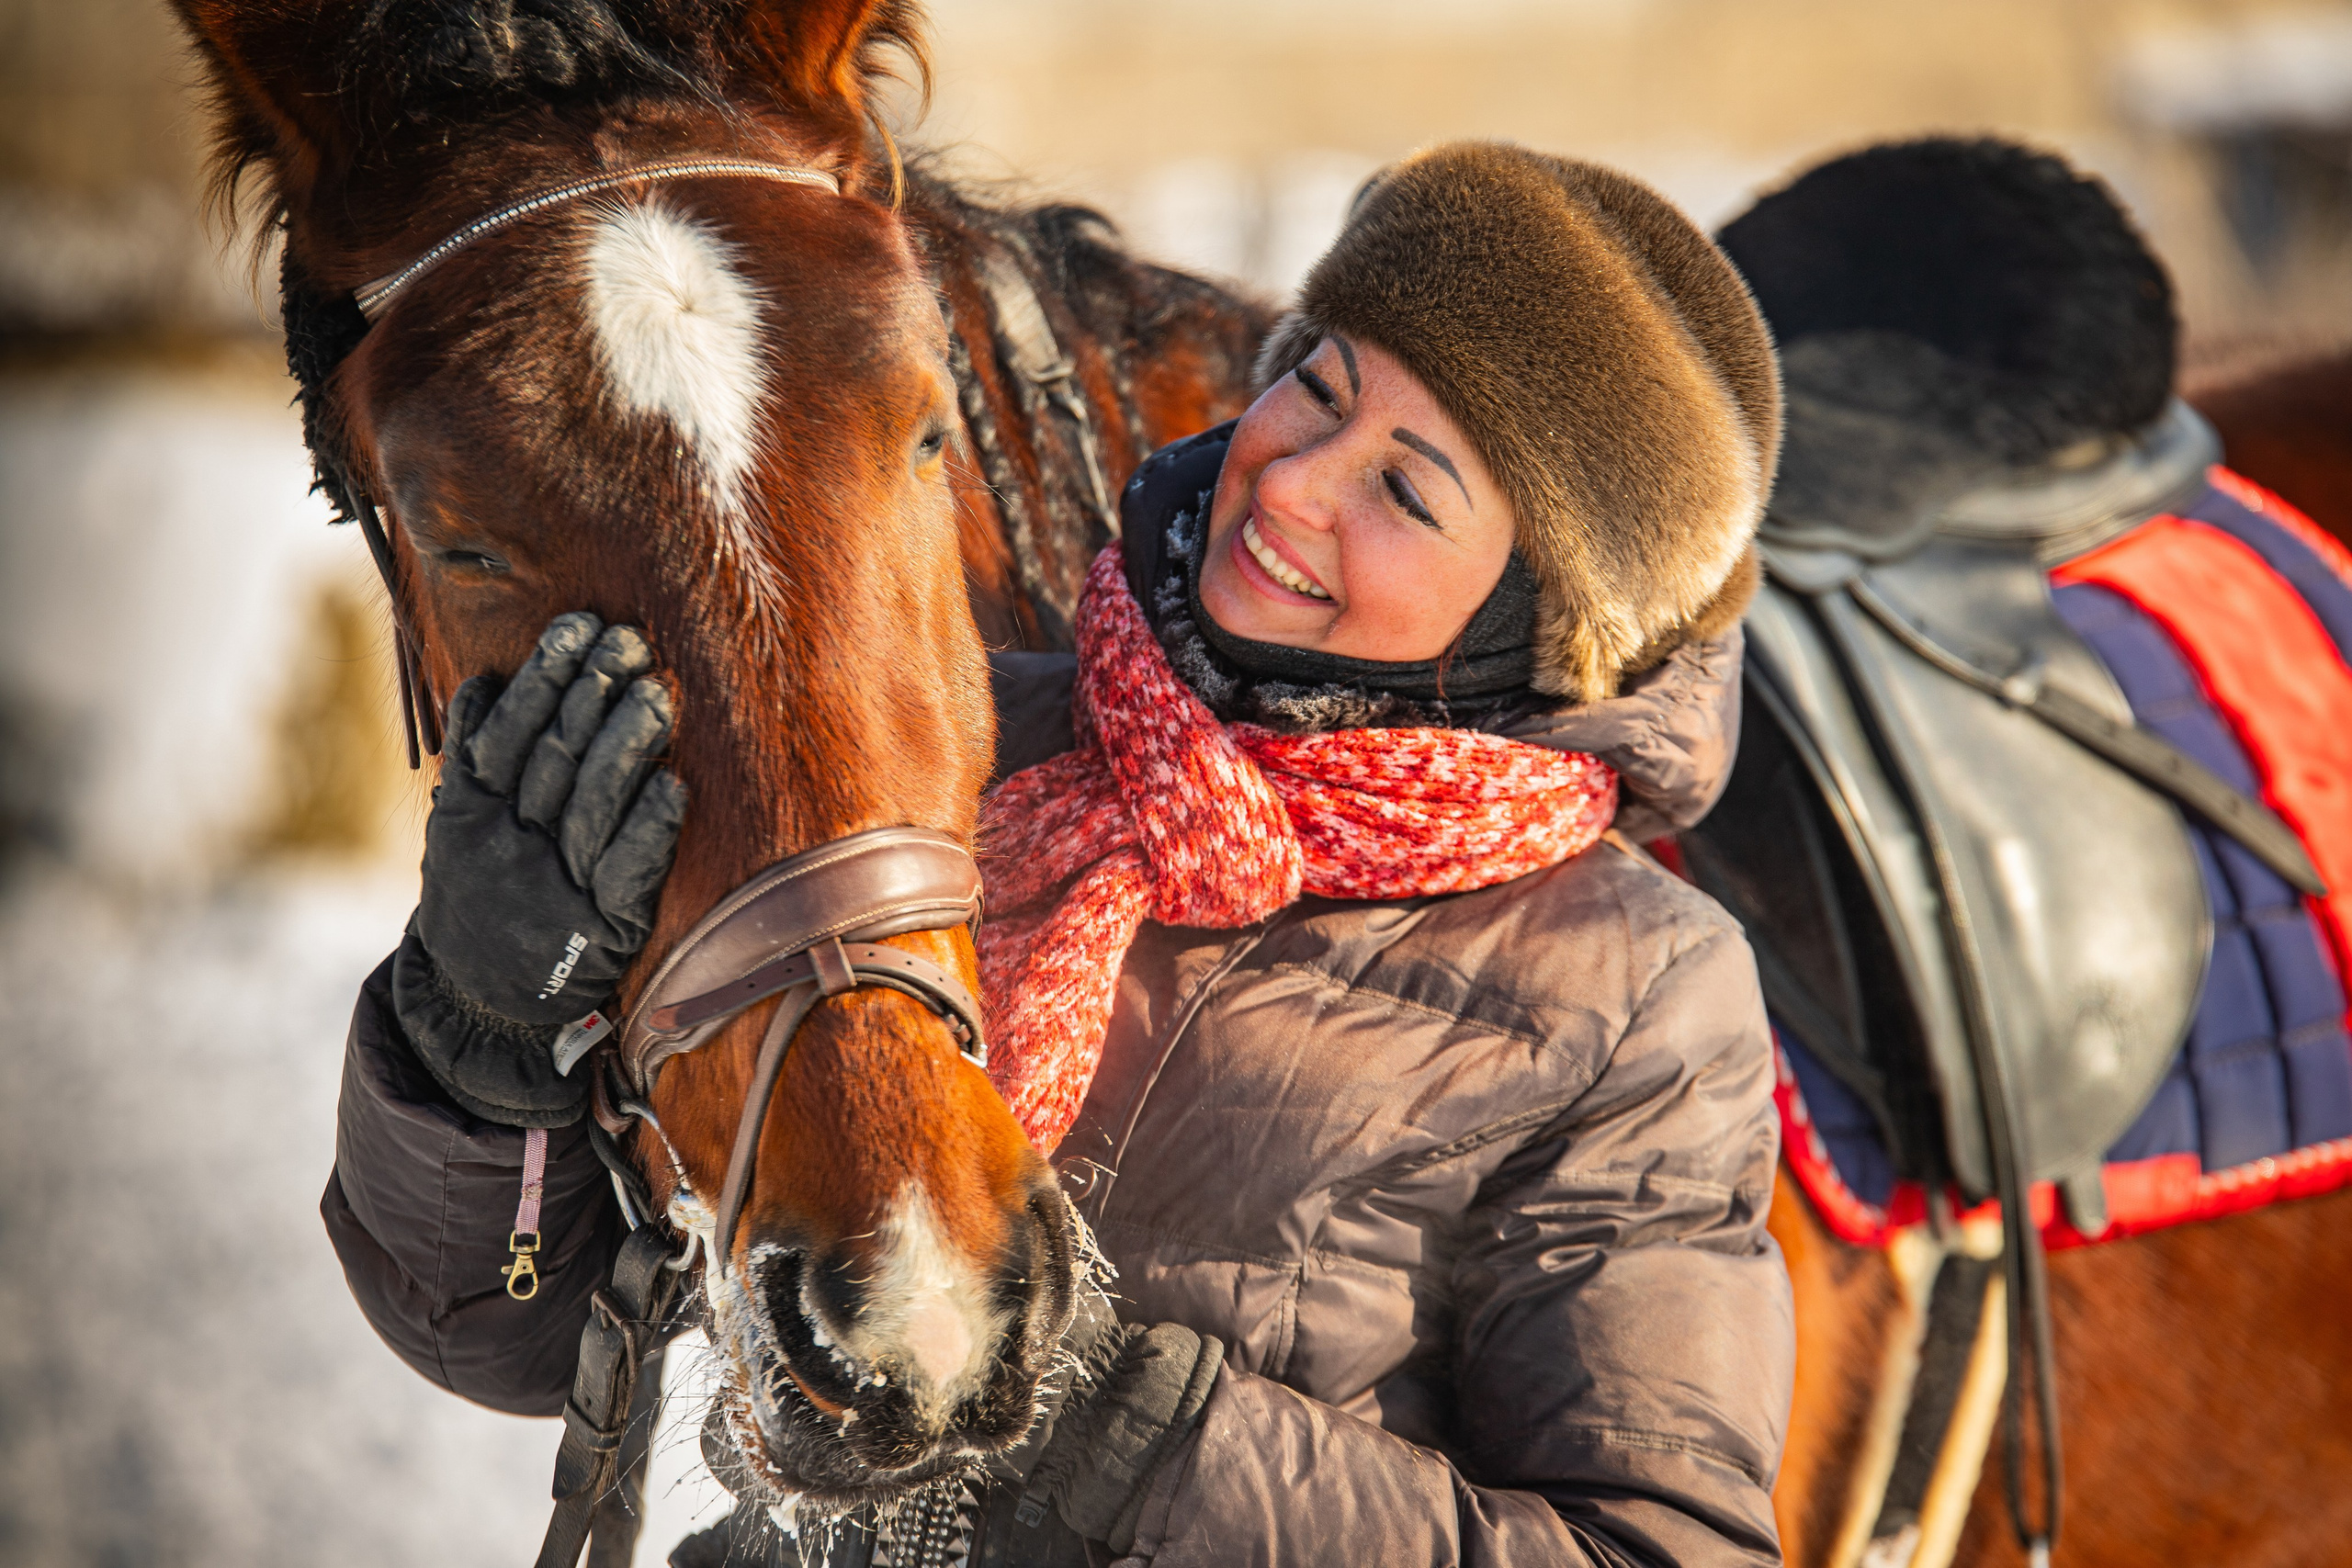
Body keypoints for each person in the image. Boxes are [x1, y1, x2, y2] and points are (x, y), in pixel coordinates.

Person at [324, 141, 1793, 1565]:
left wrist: (1141, 1439)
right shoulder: (971, 737)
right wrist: (482, 1039)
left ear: (1542, 622)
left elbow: (1649, 1550)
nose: (1289, 483)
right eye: (1316, 388)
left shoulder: (1633, 991)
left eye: (1408, 491)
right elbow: (511, 1333)